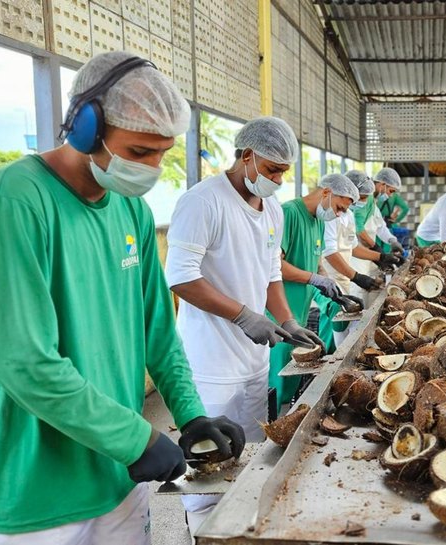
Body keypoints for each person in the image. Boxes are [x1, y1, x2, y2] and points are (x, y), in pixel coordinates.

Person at [0, 51, 244, 544]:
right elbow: (26, 363)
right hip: (44, 494)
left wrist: (191, 414)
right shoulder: (19, 199)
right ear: (85, 128)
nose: (151, 167)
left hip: (121, 476)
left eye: (162, 154)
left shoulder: (132, 211)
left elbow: (158, 332)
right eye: (138, 152)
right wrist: (136, 438)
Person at [164, 117, 323, 534]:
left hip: (254, 361)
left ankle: (240, 532)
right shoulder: (203, 202)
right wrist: (241, 314)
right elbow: (180, 276)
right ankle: (202, 533)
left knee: (249, 456)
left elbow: (270, 273)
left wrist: (285, 318)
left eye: (283, 172)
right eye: (272, 169)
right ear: (247, 156)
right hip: (211, 362)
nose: (278, 180)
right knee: (208, 466)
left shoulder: (272, 210)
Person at [268, 174, 359, 413]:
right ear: (326, 192)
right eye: (339, 208)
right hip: (277, 315)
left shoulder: (318, 221)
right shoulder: (288, 213)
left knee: (293, 379)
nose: (338, 215)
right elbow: (275, 265)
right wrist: (313, 278)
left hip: (298, 315)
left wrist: (331, 289)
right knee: (275, 386)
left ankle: (287, 420)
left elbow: (316, 264)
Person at [316, 170, 386, 350]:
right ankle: (327, 357)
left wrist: (380, 257)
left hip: (344, 278)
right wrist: (356, 276)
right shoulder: (331, 215)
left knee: (343, 326)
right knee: (331, 327)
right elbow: (330, 252)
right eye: (360, 197)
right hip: (329, 279)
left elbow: (353, 247)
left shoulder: (348, 215)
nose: (361, 201)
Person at [349, 168, 404, 306]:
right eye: (391, 191)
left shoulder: (372, 202)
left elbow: (380, 226)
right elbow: (359, 231)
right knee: (357, 293)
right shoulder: (363, 201)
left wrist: (392, 241)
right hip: (356, 255)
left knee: (369, 292)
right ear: (382, 184)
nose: (390, 195)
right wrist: (376, 248)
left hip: (367, 254)